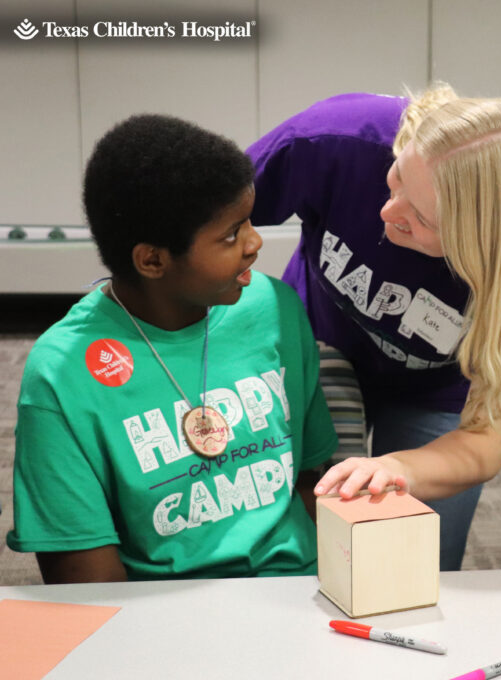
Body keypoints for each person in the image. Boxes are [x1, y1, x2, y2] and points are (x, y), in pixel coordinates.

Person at [247, 87, 501, 571]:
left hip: (439, 390)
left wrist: (399, 468)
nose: (387, 212)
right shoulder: (339, 139)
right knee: (308, 548)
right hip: (321, 343)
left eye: (420, 219)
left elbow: (483, 444)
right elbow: (202, 224)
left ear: (482, 244)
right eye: (397, 177)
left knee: (413, 567)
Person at [6, 115, 338, 583]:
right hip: (162, 622)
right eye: (230, 234)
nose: (255, 242)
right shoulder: (62, 373)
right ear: (153, 260)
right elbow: (87, 588)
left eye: (249, 222)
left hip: (296, 596)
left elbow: (309, 482)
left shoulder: (274, 307)